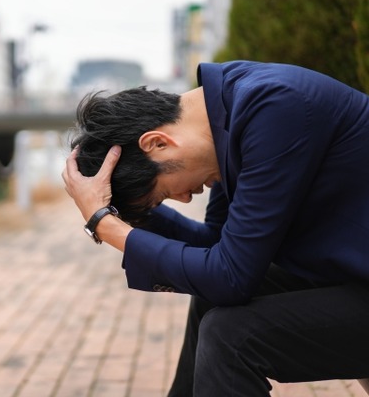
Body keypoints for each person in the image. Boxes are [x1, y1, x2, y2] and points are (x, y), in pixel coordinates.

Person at [61, 60, 369, 396]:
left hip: (355, 280)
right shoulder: (228, 115)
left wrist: (104, 226)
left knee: (230, 337)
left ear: (158, 143)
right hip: (350, 276)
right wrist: (114, 213)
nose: (182, 197)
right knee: (210, 302)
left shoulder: (275, 108)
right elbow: (218, 247)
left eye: (164, 193)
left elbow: (229, 277)